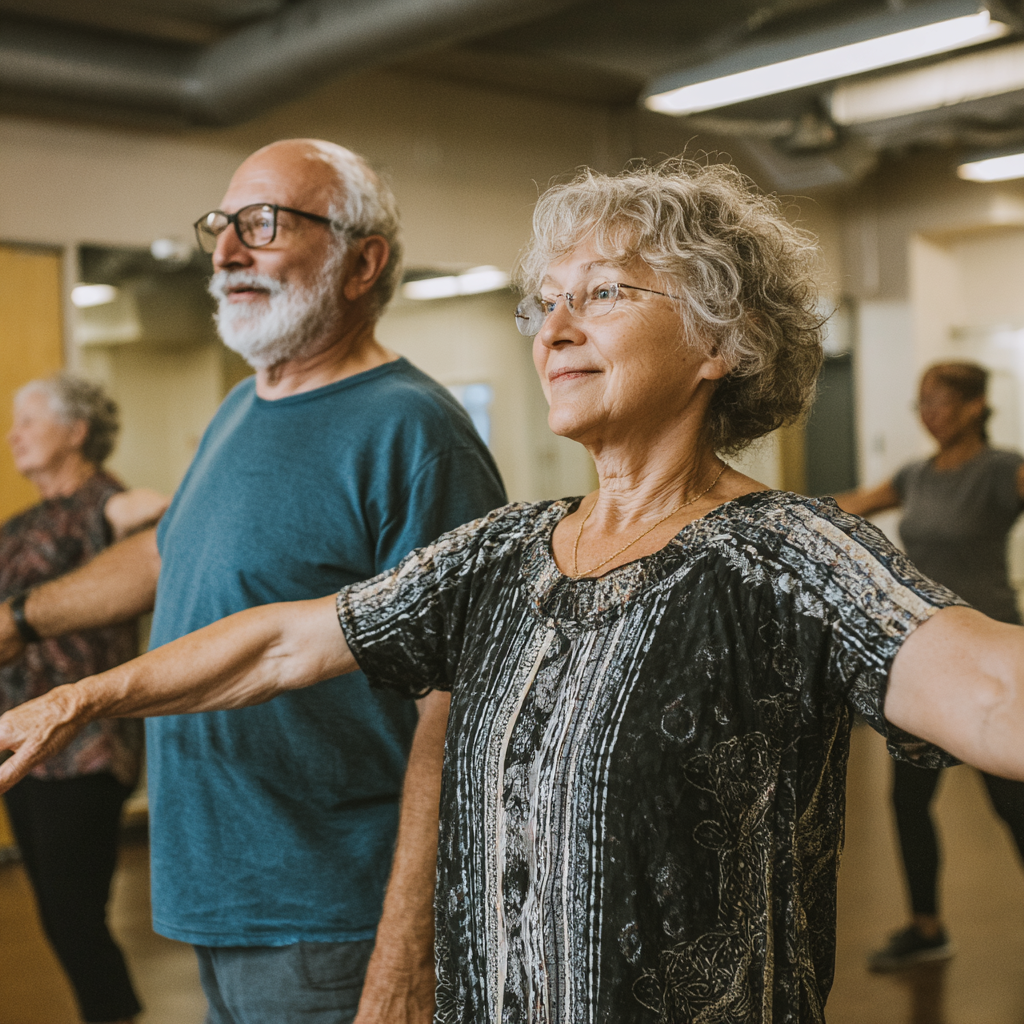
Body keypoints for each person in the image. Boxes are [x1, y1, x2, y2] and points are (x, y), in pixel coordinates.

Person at [3, 159, 1024, 1024]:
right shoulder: (505, 553)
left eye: (606, 293)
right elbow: (279, 643)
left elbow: (992, 694)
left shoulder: (786, 553)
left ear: (723, 340)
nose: (556, 328)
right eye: (547, 301)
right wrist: (82, 696)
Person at [0, 139, 506, 1024]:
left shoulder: (413, 431)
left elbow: (458, 709)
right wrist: (19, 620)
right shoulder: (242, 407)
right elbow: (168, 556)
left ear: (363, 261)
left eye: (263, 225)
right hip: (215, 896)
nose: (227, 251)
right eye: (221, 226)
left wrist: (407, 951)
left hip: (332, 913)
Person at [836, 361, 1024, 972]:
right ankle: (926, 926)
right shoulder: (914, 476)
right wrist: (761, 510)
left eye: (941, 402)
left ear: (974, 405)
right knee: (909, 802)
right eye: (922, 403)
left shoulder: (1000, 470)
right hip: (924, 663)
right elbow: (849, 507)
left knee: (1012, 807)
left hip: (992, 660)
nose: (929, 414)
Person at [1, 372, 169, 1024]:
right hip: (24, 740)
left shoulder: (107, 503)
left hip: (85, 746)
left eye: (30, 421)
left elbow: (160, 520)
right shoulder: (23, 522)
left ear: (76, 433)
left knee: (75, 914)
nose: (14, 434)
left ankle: (113, 1015)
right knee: (56, 912)